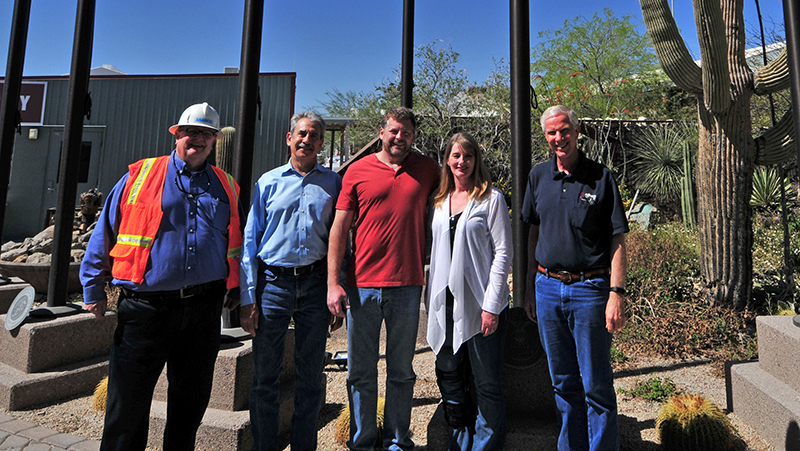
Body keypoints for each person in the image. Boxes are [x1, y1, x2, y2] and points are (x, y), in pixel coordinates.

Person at [80, 102, 244, 451]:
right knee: (127, 406)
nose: (197, 139)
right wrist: (92, 287)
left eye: (206, 134)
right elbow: (105, 231)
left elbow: (235, 242)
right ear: (177, 134)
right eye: (191, 132)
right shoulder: (140, 176)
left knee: (190, 405)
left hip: (203, 309)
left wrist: (236, 288)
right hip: (146, 310)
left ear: (215, 141)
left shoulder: (226, 186)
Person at [327, 107, 440, 451]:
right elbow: (339, 229)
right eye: (394, 131)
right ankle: (362, 441)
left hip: (407, 284)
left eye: (406, 132)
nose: (399, 137)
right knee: (360, 371)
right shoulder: (358, 171)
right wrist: (334, 283)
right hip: (362, 285)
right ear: (382, 132)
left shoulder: (428, 170)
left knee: (401, 370)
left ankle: (397, 440)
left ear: (413, 136)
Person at [521, 105, 628, 451]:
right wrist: (529, 287)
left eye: (564, 130)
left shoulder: (601, 177)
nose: (559, 138)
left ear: (576, 131)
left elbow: (617, 239)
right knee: (563, 383)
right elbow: (533, 231)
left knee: (596, 384)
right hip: (547, 289)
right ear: (545, 136)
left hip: (590, 290)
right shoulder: (538, 176)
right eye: (552, 132)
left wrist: (616, 293)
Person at [239, 111, 342, 451]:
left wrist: (335, 288)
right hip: (273, 285)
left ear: (321, 143)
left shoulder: (333, 184)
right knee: (265, 378)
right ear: (289, 138)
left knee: (310, 378)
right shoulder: (268, 182)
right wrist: (248, 298)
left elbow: (340, 240)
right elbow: (250, 241)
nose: (306, 140)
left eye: (313, 135)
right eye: (301, 133)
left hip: (314, 284)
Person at [426, 133, 512, 451]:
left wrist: (492, 305)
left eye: (469, 155)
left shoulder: (491, 199)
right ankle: (459, 437)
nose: (462, 161)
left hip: (480, 302)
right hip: (446, 303)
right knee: (450, 373)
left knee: (485, 381)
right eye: (456, 156)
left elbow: (503, 253)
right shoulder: (439, 201)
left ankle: (486, 444)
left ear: (477, 160)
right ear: (447, 160)